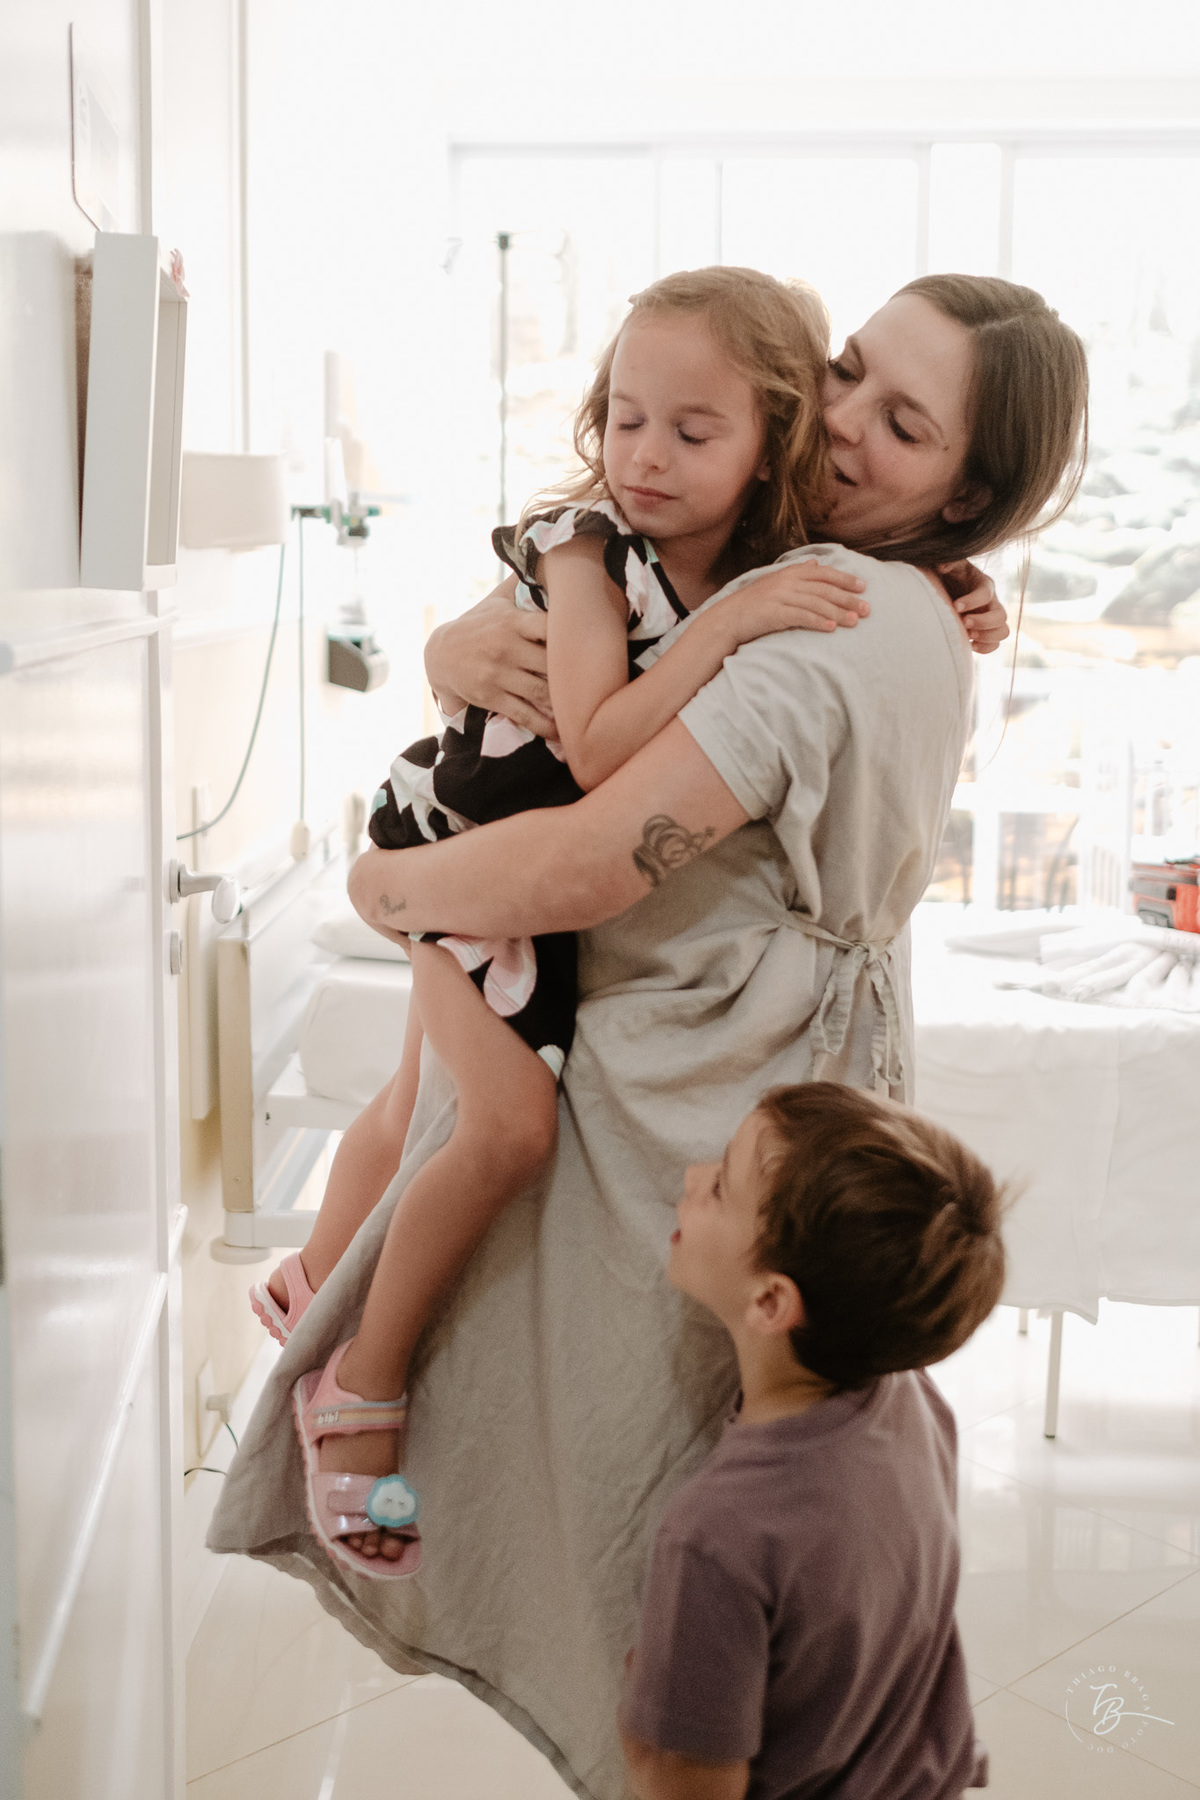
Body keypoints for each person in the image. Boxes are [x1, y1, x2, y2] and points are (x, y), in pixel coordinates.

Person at [210, 273, 1087, 1800]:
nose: (847, 428)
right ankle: (340, 1357)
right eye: (850, 374)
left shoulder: (839, 600)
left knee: (459, 1151)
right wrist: (445, 680)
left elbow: (595, 852)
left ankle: (344, 1361)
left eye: (905, 425)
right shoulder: (762, 557)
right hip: (509, 891)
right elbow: (571, 672)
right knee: (438, 1127)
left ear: (970, 493)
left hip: (546, 929)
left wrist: (386, 885)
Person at [262, 266, 876, 1577]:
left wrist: (961, 591)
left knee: (413, 1103)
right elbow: (597, 748)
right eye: (627, 418)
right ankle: (357, 1388)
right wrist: (733, 626)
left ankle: (308, 1285)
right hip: (463, 850)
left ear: (771, 439)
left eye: (692, 432)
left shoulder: (767, 558)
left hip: (510, 867)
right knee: (502, 1130)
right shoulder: (589, 548)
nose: (645, 456)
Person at [618, 1081, 1004, 1800]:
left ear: (770, 1299)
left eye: (720, 1187)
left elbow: (687, 1787)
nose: (692, 1177)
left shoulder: (716, 1536)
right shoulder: (910, 1398)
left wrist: (644, 1735)